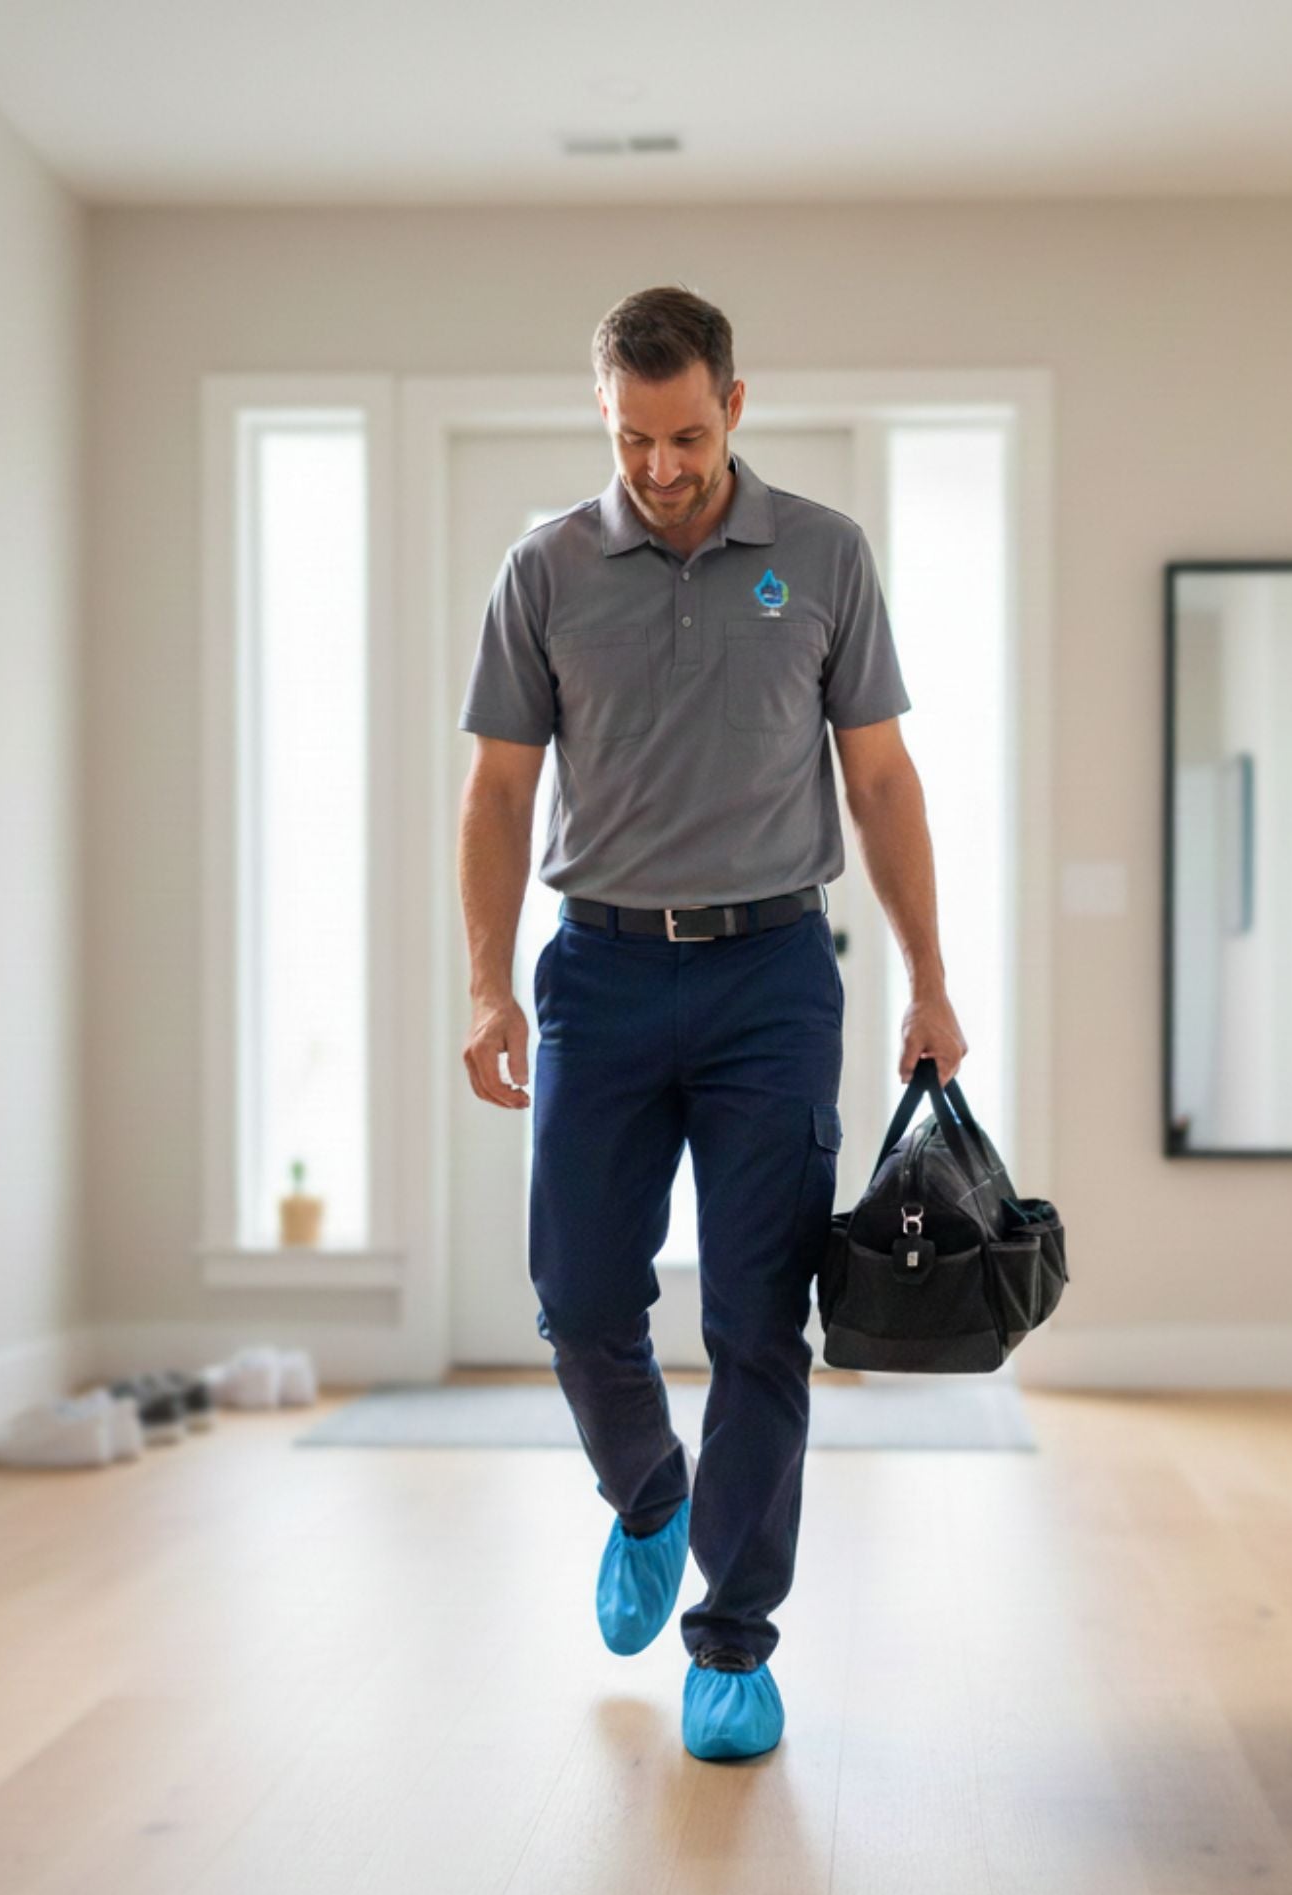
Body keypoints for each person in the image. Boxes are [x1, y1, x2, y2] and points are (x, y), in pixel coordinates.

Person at [455, 283, 966, 1761]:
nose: (661, 467)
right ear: (603, 413)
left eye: (683, 435)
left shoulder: (820, 556)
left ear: (734, 404)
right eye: (632, 437)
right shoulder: (545, 569)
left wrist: (931, 976)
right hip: (598, 977)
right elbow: (495, 793)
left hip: (771, 982)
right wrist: (490, 981)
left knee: (758, 1324)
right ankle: (647, 1495)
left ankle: (733, 1638)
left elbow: (879, 780)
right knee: (577, 1294)